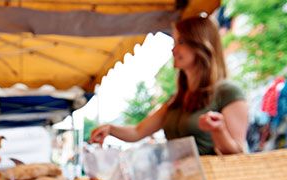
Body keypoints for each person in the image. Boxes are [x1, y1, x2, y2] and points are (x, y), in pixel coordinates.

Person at [90, 16, 248, 156]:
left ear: (200, 44)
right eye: (174, 42)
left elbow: (237, 153)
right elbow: (138, 132)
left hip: (212, 179)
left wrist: (218, 129)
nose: (174, 49)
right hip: (180, 179)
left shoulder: (228, 92)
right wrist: (110, 129)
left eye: (181, 42)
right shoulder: (177, 99)